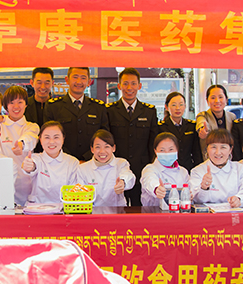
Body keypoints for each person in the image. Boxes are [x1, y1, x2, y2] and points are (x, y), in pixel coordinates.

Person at [106, 68, 158, 206]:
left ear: (139, 86)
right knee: (116, 208)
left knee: (140, 208)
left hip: (141, 168)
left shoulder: (149, 111)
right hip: (116, 170)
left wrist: (151, 166)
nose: (129, 88)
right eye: (125, 83)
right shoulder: (109, 110)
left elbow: (153, 142)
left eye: (133, 83)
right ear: (119, 86)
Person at [44, 67, 109, 161]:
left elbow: (104, 137)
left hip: (91, 162)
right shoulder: (53, 106)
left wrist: (87, 158)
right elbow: (48, 136)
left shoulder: (98, 107)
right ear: (67, 80)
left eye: (83, 78)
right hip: (61, 161)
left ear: (89, 82)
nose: (79, 82)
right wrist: (70, 160)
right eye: (75, 77)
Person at [0, 86, 39, 205]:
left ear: (26, 104)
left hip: (26, 182)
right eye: (11, 102)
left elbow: (30, 137)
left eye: (20, 102)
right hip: (2, 181)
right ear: (6, 106)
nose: (16, 106)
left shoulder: (32, 126)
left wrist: (21, 144)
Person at [190, 129, 243, 208]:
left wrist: (239, 199)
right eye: (213, 147)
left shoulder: (240, 169)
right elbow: (195, 200)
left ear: (230, 149)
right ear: (207, 149)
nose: (218, 152)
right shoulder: (197, 171)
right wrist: (204, 188)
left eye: (223, 147)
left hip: (234, 212)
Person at [21, 121, 79, 204]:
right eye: (47, 137)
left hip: (64, 208)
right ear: (40, 140)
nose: (51, 142)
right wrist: (30, 167)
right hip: (37, 208)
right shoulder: (35, 158)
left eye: (56, 137)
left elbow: (73, 191)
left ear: (63, 139)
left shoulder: (72, 162)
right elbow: (32, 166)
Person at [76, 130, 135, 207]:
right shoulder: (82, 168)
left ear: (113, 148)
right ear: (92, 149)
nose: (102, 151)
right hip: (93, 210)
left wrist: (123, 182)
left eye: (107, 147)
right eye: (98, 147)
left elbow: (129, 176)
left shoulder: (121, 163)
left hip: (117, 210)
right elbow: (80, 194)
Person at [140, 132, 192, 207]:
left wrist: (190, 196)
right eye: (162, 150)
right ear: (155, 151)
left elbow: (189, 191)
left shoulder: (183, 171)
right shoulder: (150, 169)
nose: (167, 153)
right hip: (154, 212)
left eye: (171, 149)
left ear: (177, 150)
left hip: (179, 211)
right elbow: (149, 181)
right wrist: (156, 189)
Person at [157, 92, 201, 172]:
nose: (178, 108)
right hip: (167, 169)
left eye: (181, 104)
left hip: (188, 169)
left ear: (185, 106)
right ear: (166, 107)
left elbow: (196, 152)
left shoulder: (191, 126)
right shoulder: (160, 127)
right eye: (174, 105)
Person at [196, 85, 236, 161]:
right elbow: (201, 123)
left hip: (229, 161)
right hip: (209, 161)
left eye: (220, 97)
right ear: (207, 100)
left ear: (226, 99)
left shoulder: (232, 117)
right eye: (213, 98)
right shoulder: (203, 115)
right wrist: (203, 130)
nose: (217, 101)